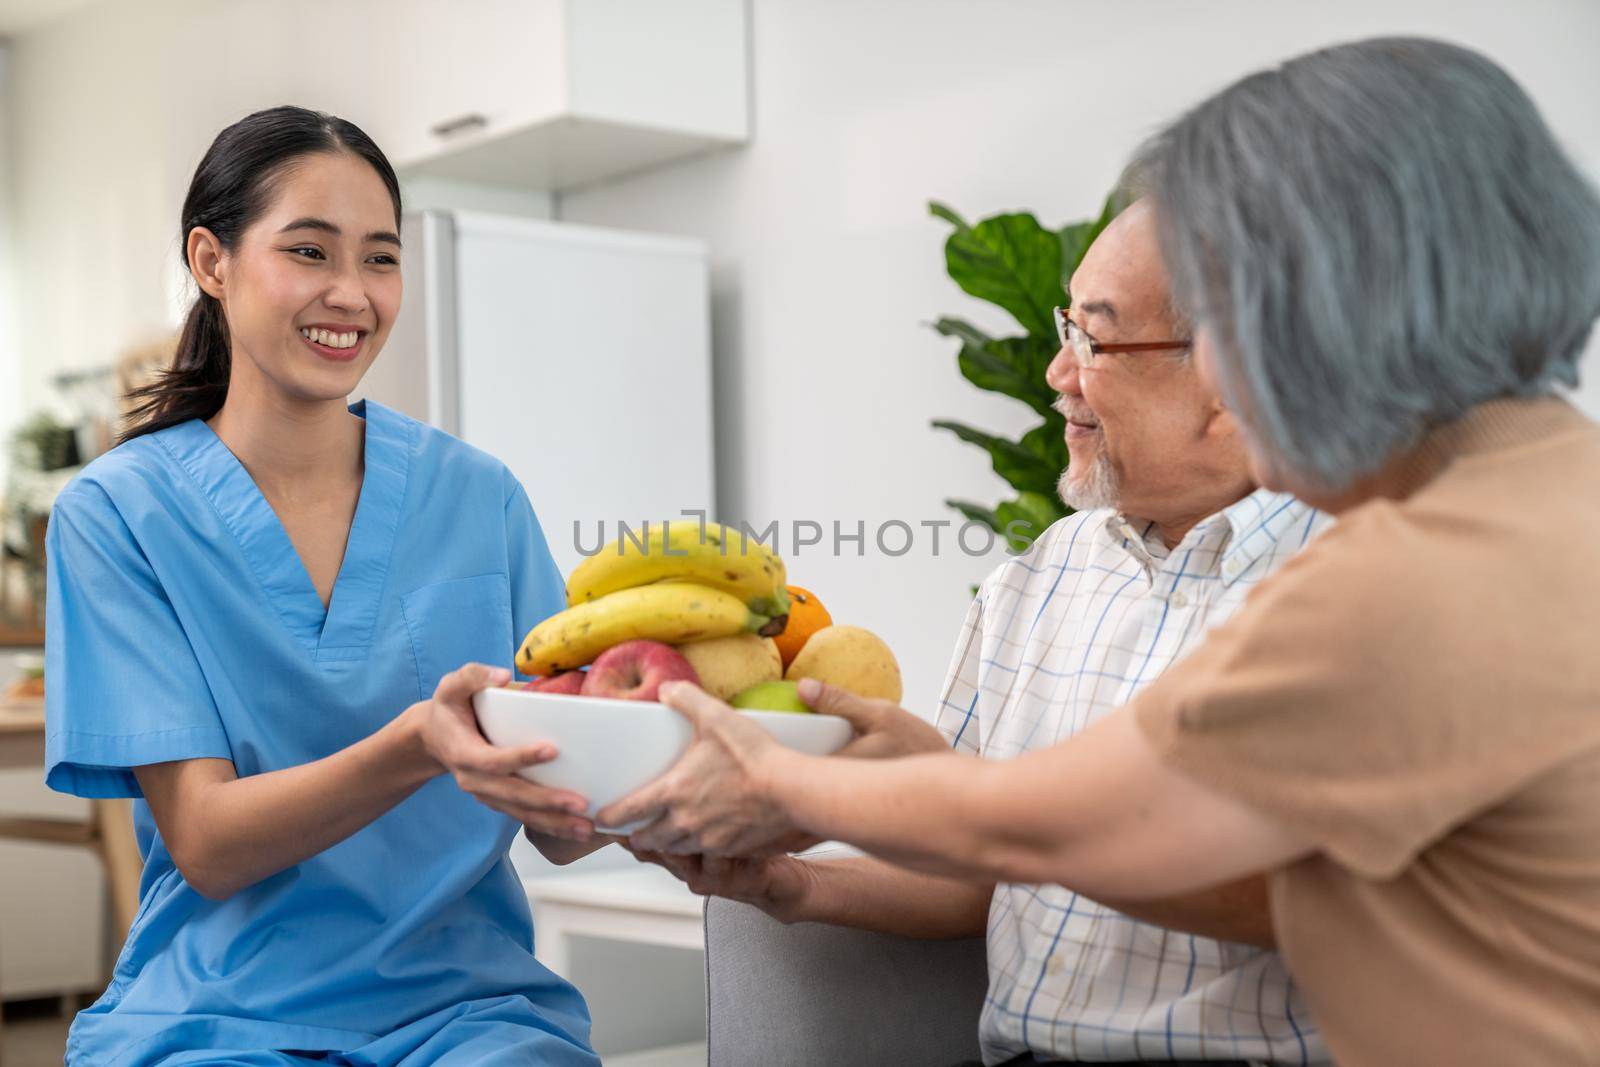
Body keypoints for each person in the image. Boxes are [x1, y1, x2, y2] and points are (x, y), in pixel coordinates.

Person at [600, 37, 1600, 1067]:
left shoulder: (1416, 567)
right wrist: (871, 816)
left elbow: (1064, 822)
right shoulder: (1540, 492)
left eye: (1231, 307)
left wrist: (775, 776)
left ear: (1333, 301)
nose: (1222, 364)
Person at [632, 200, 1331, 1065]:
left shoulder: (1354, 585)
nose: (1055, 373)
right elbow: (979, 877)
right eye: (1064, 326)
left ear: (1233, 378)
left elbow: (1309, 897)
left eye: (1093, 343)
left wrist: (930, 793)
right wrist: (790, 881)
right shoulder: (1040, 577)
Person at [45, 106, 601, 1065]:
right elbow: (208, 843)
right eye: (310, 251)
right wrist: (419, 745)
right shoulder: (119, 512)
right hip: (216, 1017)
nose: (352, 293)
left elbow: (565, 823)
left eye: (381, 259)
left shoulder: (478, 495)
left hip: (467, 1013)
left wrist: (687, 754)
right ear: (211, 262)